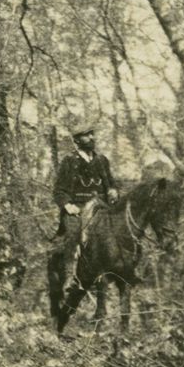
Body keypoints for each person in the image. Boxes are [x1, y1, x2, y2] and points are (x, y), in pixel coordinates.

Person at [52, 124, 118, 292]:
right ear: (77, 140)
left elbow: (111, 183)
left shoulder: (102, 160)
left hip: (101, 207)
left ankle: (119, 270)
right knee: (73, 234)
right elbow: (59, 190)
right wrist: (68, 206)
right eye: (86, 135)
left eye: (92, 134)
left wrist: (113, 190)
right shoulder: (70, 161)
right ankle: (70, 277)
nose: (91, 138)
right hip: (78, 207)